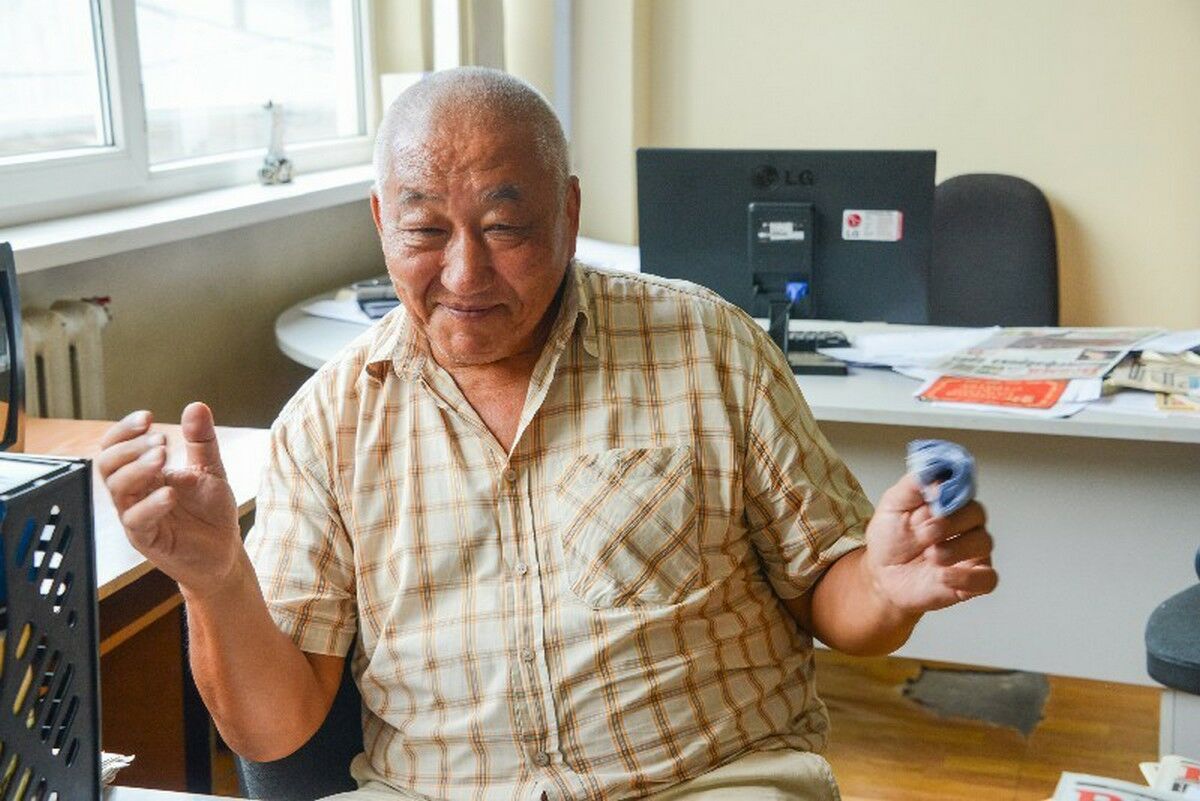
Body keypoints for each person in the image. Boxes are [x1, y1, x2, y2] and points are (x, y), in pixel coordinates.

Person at [97, 67, 997, 801]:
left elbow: (827, 594)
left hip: (705, 781)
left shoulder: (709, 346)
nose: (464, 273)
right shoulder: (328, 421)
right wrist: (215, 580)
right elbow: (276, 732)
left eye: (505, 228)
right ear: (379, 222)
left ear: (568, 212)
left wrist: (883, 582)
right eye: (424, 230)